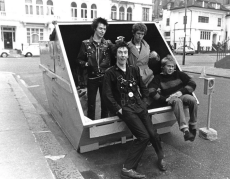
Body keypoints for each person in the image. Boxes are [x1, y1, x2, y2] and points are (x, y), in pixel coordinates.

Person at [103, 42, 166, 179]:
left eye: (125, 52)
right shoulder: (110, 73)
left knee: (153, 133)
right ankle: (127, 169)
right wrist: (118, 109)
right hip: (126, 109)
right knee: (144, 136)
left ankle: (161, 157)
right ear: (115, 55)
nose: (123, 55)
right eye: (120, 52)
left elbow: (142, 87)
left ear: (128, 55)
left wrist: (144, 101)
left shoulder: (134, 69)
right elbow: (107, 95)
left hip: (139, 105)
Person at [148, 56, 198, 141]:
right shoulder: (158, 78)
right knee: (177, 101)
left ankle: (192, 125)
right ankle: (185, 130)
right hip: (170, 98)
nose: (171, 68)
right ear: (163, 67)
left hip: (180, 95)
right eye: (168, 66)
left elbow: (192, 83)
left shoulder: (178, 74)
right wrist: (163, 99)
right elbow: (151, 90)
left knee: (192, 100)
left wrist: (181, 92)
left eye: (172, 66)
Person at [77, 17, 113, 120]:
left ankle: (105, 124)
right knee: (91, 104)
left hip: (105, 77)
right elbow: (78, 60)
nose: (103, 31)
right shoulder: (86, 43)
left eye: (104, 29)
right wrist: (87, 64)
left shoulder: (108, 44)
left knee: (105, 104)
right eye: (100, 28)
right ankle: (91, 126)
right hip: (92, 78)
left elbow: (116, 53)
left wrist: (119, 44)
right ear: (95, 28)